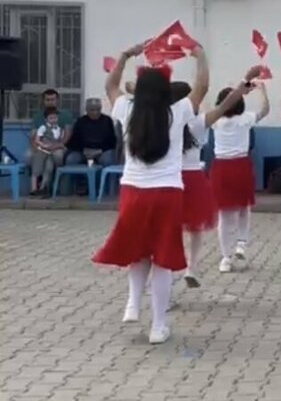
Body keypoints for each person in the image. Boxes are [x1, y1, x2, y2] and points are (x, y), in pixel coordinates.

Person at [93, 43, 208, 345]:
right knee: (162, 258)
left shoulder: (126, 110)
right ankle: (159, 326)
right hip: (168, 192)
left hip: (133, 191)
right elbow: (202, 88)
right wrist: (200, 55)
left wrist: (125, 55)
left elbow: (111, 85)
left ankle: (132, 303)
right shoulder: (179, 110)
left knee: (138, 250)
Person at [172, 73, 259, 289]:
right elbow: (221, 106)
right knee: (196, 227)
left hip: (168, 178)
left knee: (172, 228)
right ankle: (193, 266)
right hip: (194, 177)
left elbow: (219, 105)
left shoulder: (163, 122)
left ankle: (173, 271)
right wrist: (244, 85)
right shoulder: (201, 122)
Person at [210, 82, 269, 273]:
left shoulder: (216, 120)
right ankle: (242, 244)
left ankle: (225, 258)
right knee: (244, 207)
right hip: (241, 166)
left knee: (224, 215)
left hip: (221, 167)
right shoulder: (246, 118)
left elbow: (204, 109)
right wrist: (263, 91)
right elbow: (265, 110)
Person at [66, 98, 119, 167]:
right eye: (92, 110)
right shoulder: (81, 121)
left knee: (109, 159)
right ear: (87, 110)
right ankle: (80, 178)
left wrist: (100, 150)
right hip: (83, 151)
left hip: (102, 151)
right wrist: (83, 150)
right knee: (71, 160)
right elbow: (74, 141)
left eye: (98, 110)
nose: (95, 112)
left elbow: (112, 141)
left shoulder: (107, 120)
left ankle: (109, 178)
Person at [29, 107, 67, 196]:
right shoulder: (43, 127)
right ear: (46, 119)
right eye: (51, 118)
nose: (53, 120)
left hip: (51, 152)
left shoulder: (60, 129)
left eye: (55, 118)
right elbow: (37, 139)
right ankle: (33, 188)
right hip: (41, 150)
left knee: (48, 169)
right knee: (37, 168)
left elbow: (59, 141)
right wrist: (43, 145)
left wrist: (57, 146)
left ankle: (43, 188)